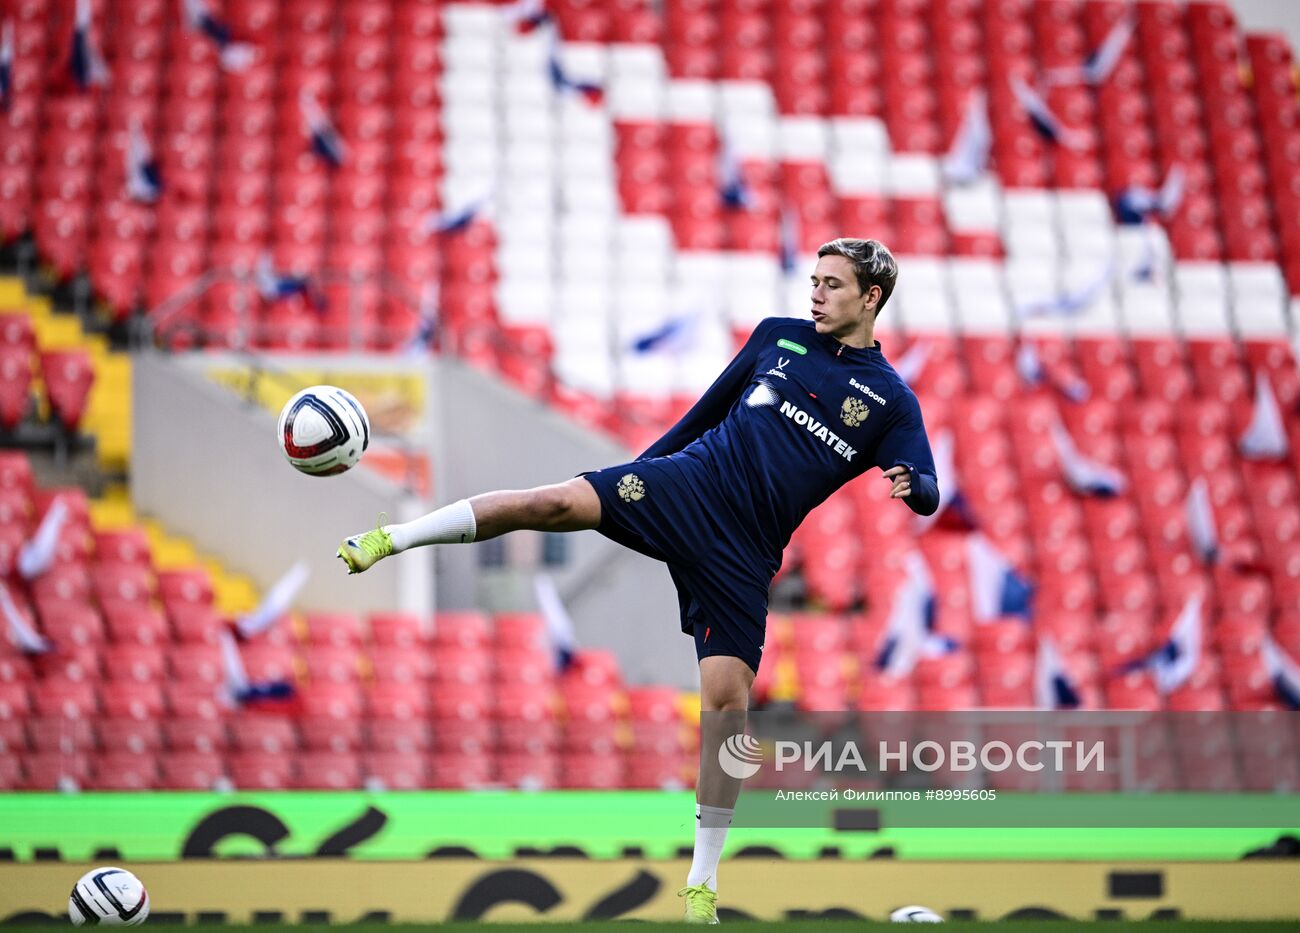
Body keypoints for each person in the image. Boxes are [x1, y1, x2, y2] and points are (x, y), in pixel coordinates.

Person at [336, 238, 939, 923]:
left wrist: (911, 483)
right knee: (557, 501)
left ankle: (702, 885)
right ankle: (392, 538)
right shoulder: (778, 339)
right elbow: (705, 414)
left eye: (832, 284)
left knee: (727, 704)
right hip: (690, 483)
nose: (816, 293)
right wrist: (636, 479)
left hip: (745, 550)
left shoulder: (889, 400)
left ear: (871, 298)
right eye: (814, 280)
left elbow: (927, 486)